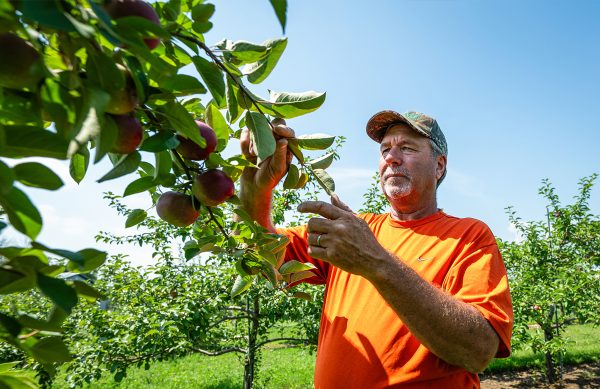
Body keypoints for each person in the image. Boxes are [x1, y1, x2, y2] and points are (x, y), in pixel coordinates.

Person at [239, 110, 513, 388]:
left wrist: (376, 262)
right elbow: (258, 255)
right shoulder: (354, 231)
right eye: (385, 149)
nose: (391, 157)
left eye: (407, 148)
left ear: (439, 166)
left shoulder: (469, 236)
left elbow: (478, 351)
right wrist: (254, 181)